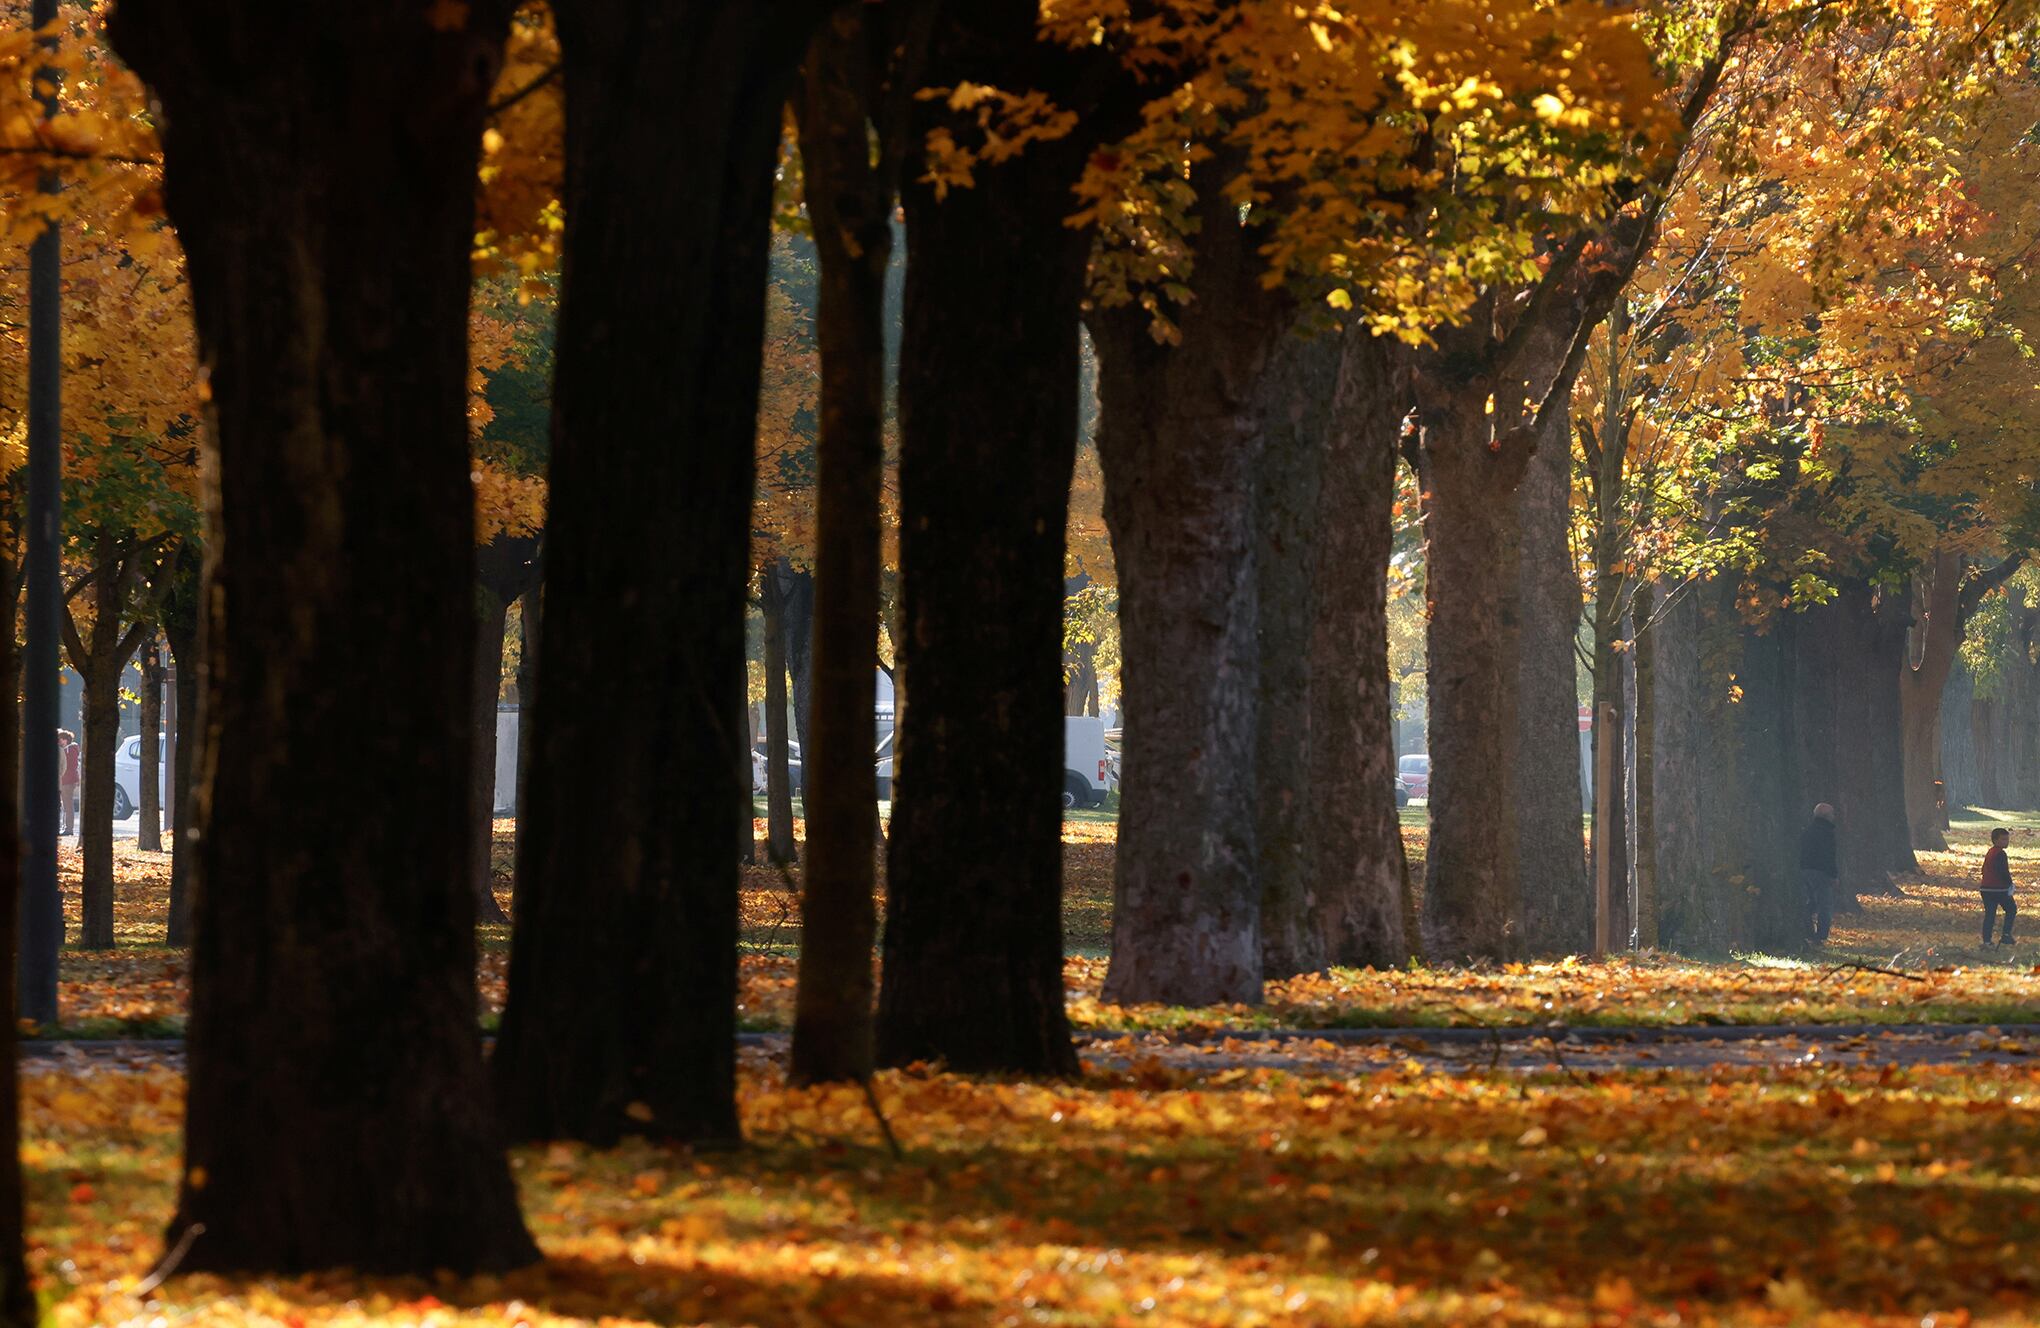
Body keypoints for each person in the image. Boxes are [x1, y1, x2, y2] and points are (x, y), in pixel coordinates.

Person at [1797, 802, 1838, 944]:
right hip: (1821, 872)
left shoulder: (1807, 830)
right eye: (1832, 814)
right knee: (1824, 905)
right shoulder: (1827, 833)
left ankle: (1807, 931)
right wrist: (1833, 875)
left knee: (1809, 903)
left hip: (1805, 870)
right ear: (1827, 816)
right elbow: (1829, 856)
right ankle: (1821, 935)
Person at [1981, 826, 2016, 947]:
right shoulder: (2000, 854)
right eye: (2003, 839)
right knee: (2011, 909)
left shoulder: (1990, 852)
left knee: (1990, 914)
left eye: (2007, 839)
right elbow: (2003, 871)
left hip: (1985, 888)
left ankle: (1986, 941)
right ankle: (2006, 934)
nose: (2006, 842)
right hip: (1998, 889)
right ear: (1995, 840)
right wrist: (2010, 884)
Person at [58, 729, 80, 837]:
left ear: (66, 740)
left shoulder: (69, 751)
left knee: (67, 805)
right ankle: (66, 826)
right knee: (65, 805)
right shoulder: (71, 750)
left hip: (67, 780)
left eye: (61, 740)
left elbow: (67, 766)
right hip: (68, 780)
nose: (59, 742)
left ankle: (68, 828)